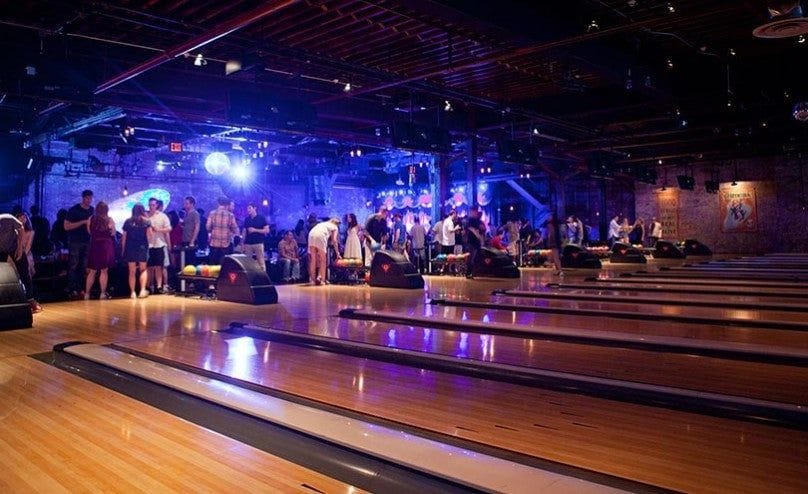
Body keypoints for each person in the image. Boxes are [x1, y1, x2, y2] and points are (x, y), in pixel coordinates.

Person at [10, 206, 41, 313]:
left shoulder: (30, 231)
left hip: (25, 254)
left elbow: (28, 247)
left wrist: (23, 255)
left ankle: (29, 298)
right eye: (20, 217)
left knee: (27, 274)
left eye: (24, 217)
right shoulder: (14, 230)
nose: (23, 219)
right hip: (14, 254)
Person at [64, 190, 94, 298]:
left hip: (87, 241)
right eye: (87, 198)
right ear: (83, 198)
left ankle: (81, 288)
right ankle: (72, 289)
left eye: (91, 198)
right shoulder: (74, 210)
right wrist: (83, 222)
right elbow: (66, 226)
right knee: (73, 265)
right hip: (75, 241)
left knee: (84, 266)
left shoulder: (92, 210)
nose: (89, 200)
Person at [84, 201, 116, 300]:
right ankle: (102, 293)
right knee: (104, 270)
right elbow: (113, 233)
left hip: (94, 245)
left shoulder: (91, 219)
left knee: (92, 271)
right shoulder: (109, 220)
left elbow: (89, 232)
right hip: (105, 247)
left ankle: (87, 294)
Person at [121, 204, 151, 298]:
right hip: (142, 247)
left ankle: (132, 292)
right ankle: (142, 291)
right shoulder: (147, 221)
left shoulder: (128, 222)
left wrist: (123, 249)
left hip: (130, 247)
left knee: (132, 271)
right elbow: (149, 236)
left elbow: (124, 238)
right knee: (143, 269)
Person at [145, 197, 171, 294]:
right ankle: (149, 286)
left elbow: (169, 228)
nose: (151, 207)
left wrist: (158, 230)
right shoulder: (146, 216)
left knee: (159, 266)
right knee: (149, 267)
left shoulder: (162, 216)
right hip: (149, 245)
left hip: (160, 244)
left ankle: (159, 286)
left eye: (153, 205)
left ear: (156, 205)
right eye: (150, 205)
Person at [307, 218, 341, 285]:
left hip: (311, 234)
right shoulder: (334, 227)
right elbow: (334, 240)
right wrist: (337, 253)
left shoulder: (322, 224)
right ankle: (323, 280)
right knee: (323, 260)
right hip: (320, 236)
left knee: (313, 260)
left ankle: (312, 280)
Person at [206, 197, 238, 265]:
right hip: (225, 245)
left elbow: (208, 227)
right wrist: (229, 232)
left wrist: (213, 230)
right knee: (223, 267)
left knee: (212, 267)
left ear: (218, 203)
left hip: (213, 244)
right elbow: (235, 229)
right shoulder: (230, 215)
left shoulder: (212, 213)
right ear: (226, 204)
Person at [242, 203, 268, 271]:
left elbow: (266, 230)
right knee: (247, 262)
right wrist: (242, 243)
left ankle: (263, 278)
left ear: (255, 208)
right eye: (247, 208)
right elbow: (244, 231)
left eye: (250, 208)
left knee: (261, 262)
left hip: (258, 243)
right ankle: (248, 279)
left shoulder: (261, 218)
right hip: (248, 243)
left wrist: (255, 230)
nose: (248, 210)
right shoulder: (247, 219)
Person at [465, 207, 484, 278]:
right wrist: (478, 235)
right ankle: (468, 273)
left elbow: (482, 229)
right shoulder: (471, 220)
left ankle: (473, 272)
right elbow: (471, 228)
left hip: (476, 242)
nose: (476, 213)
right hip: (472, 241)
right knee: (471, 258)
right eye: (474, 211)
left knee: (475, 258)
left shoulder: (477, 220)